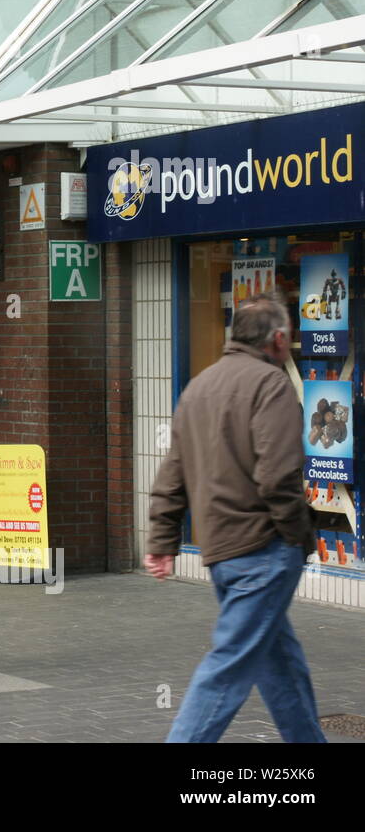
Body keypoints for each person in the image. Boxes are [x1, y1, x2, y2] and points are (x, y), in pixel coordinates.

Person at [146, 296, 324, 743]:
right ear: (279, 339)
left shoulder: (198, 388)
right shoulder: (272, 386)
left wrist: (162, 540)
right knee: (228, 670)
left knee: (279, 663)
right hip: (264, 549)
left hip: (222, 550)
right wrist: (298, 535)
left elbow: (173, 473)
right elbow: (277, 475)